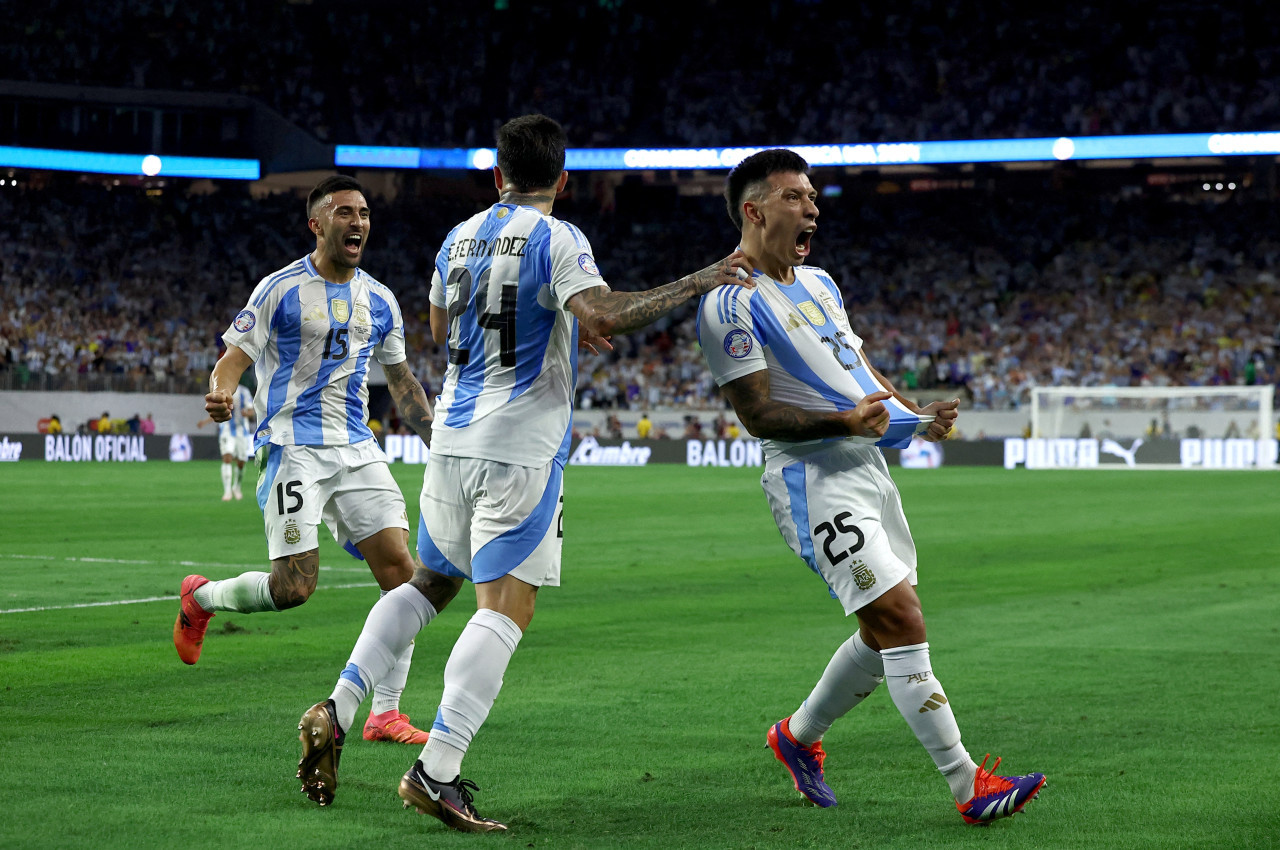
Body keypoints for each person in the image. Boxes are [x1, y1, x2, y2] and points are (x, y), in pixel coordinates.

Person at [295, 114, 748, 830]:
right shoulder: (559, 236)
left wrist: (549, 317)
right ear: (563, 180)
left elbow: (442, 332)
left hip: (451, 434)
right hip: (520, 446)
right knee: (506, 606)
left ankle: (339, 706)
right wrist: (701, 277)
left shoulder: (458, 237)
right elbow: (604, 310)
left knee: (430, 582)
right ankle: (435, 771)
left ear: (494, 176)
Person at [694, 149, 1045, 825]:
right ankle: (969, 783)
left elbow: (857, 365)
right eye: (796, 196)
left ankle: (795, 739)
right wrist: (841, 420)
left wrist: (912, 414)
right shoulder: (727, 304)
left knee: (886, 629)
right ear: (754, 209)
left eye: (814, 197)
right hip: (812, 478)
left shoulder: (821, 283)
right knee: (899, 619)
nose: (813, 207)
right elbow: (757, 413)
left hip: (867, 468)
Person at [175, 175, 438, 747]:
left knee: (406, 578)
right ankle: (201, 598)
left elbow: (401, 381)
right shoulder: (278, 290)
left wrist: (435, 437)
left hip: (357, 447)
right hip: (294, 446)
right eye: (344, 212)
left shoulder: (382, 299)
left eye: (364, 212)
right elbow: (233, 358)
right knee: (293, 587)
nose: (358, 222)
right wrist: (221, 391)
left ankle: (384, 713)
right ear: (317, 224)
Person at [196, 382, 255, 501]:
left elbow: (251, 411)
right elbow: (217, 411)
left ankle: (236, 487)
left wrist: (246, 413)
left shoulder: (245, 391)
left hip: (241, 431)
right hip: (226, 430)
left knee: (241, 462)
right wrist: (205, 422)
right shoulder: (221, 392)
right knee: (227, 457)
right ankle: (227, 491)